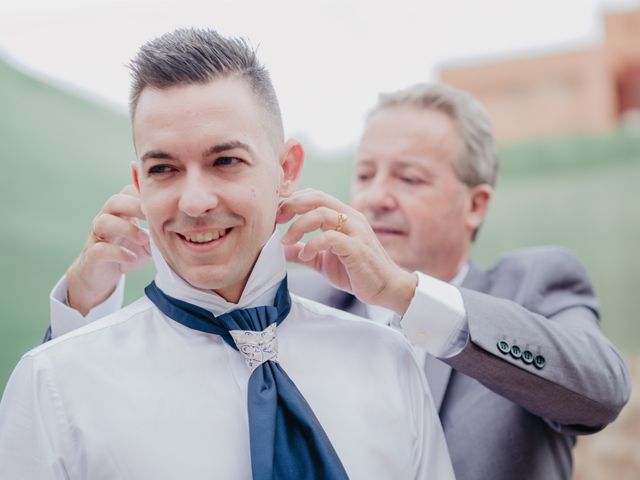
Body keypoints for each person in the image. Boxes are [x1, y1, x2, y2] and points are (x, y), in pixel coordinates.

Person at [44, 82, 630, 478]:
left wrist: (403, 294)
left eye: (410, 177)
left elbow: (600, 391)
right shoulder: (287, 313)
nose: (377, 195)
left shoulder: (533, 284)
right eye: (367, 172)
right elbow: (63, 413)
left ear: (475, 204)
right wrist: (86, 300)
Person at [0, 29, 456, 479]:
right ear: (140, 185)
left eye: (225, 161)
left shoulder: (387, 361)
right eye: (164, 169)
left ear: (286, 170)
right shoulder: (56, 383)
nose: (195, 201)